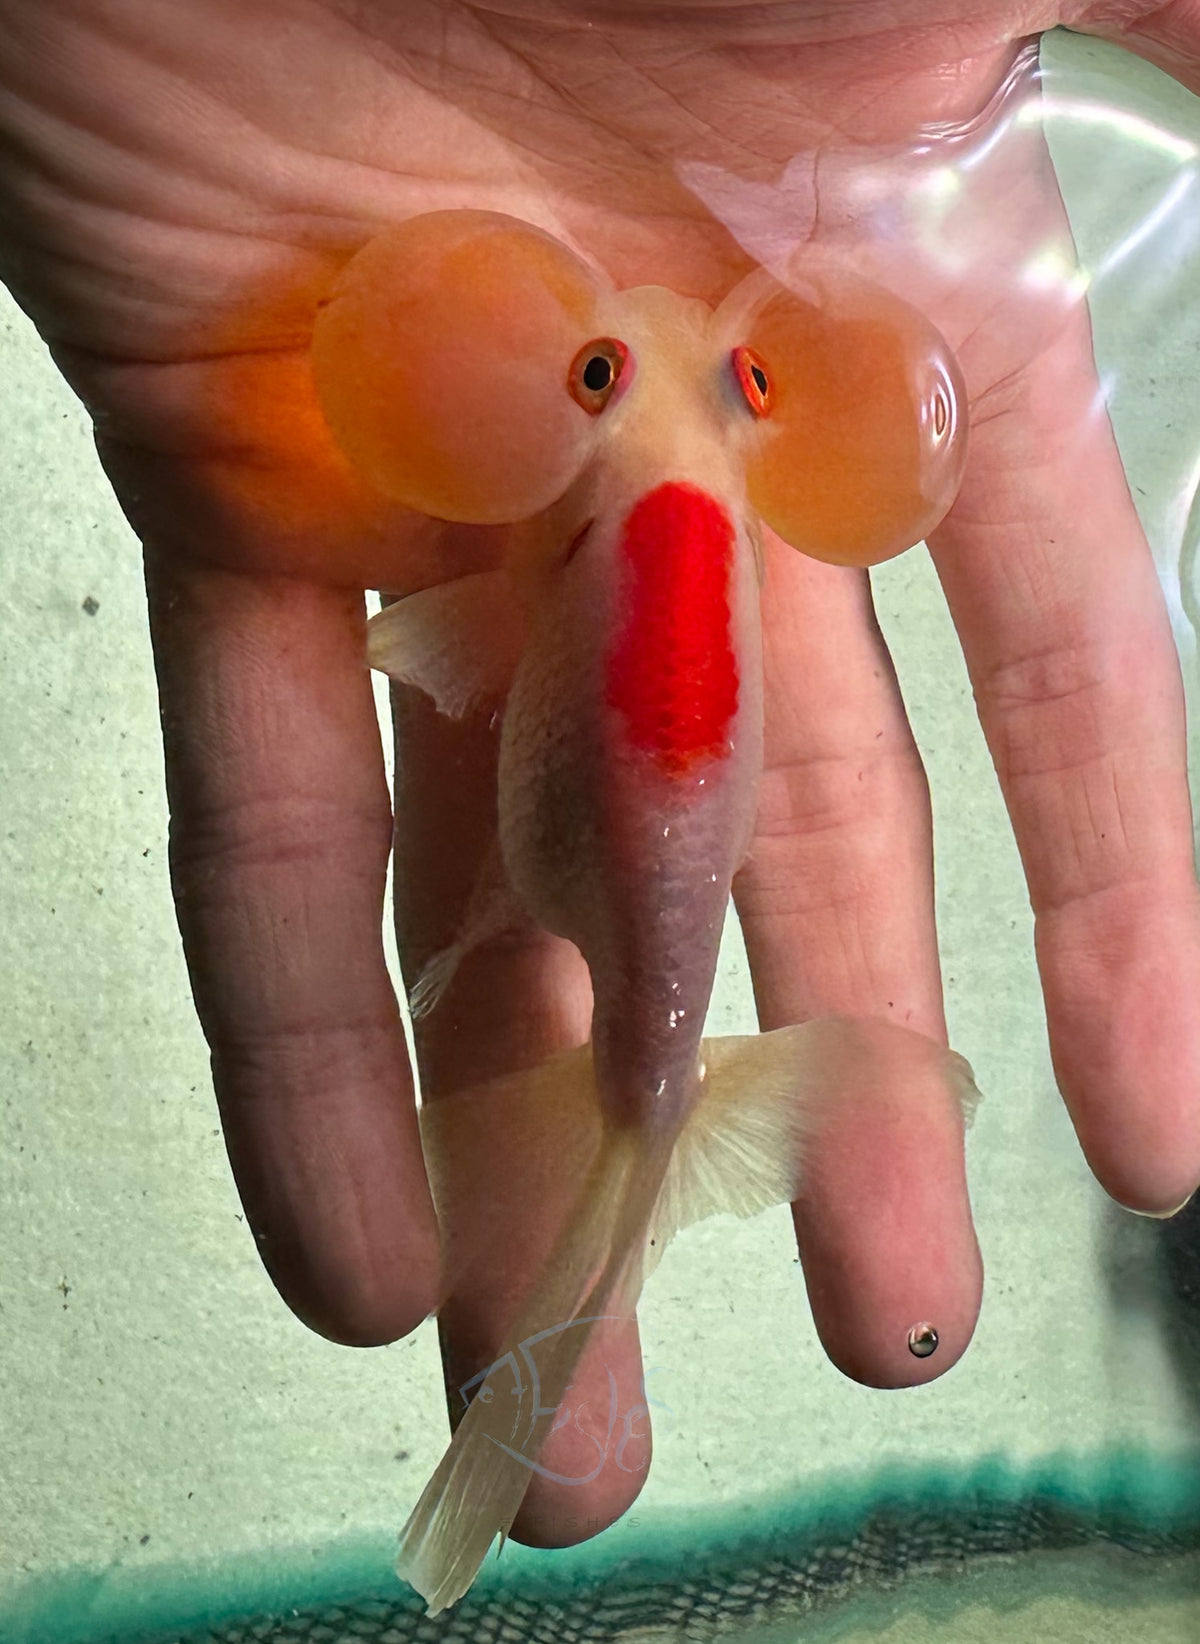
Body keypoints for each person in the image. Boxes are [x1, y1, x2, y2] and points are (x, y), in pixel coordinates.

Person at [1, 0, 1198, 1548]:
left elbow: (446, 645)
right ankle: (599, 1170)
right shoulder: (704, 514)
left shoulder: (551, 545)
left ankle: (567, 1216)